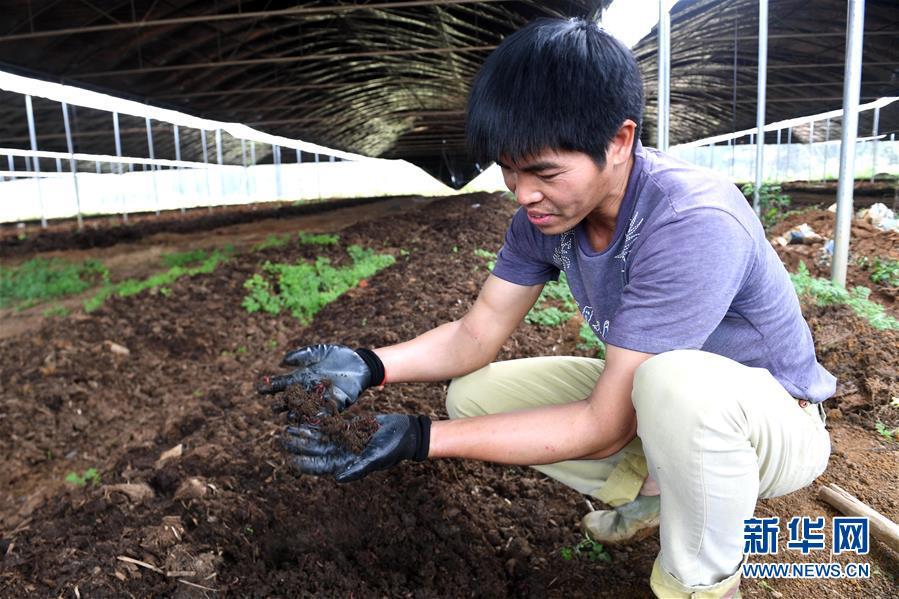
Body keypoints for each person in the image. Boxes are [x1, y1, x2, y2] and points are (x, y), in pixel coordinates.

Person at [258, 18, 835, 598]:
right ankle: (657, 497)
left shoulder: (691, 221)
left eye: (544, 172)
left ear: (619, 140)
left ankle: (700, 583)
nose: (522, 192)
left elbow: (603, 428)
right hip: (666, 409)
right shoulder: (545, 217)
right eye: (509, 170)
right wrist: (370, 364)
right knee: (473, 396)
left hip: (770, 427)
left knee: (675, 384)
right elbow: (475, 333)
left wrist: (417, 437)